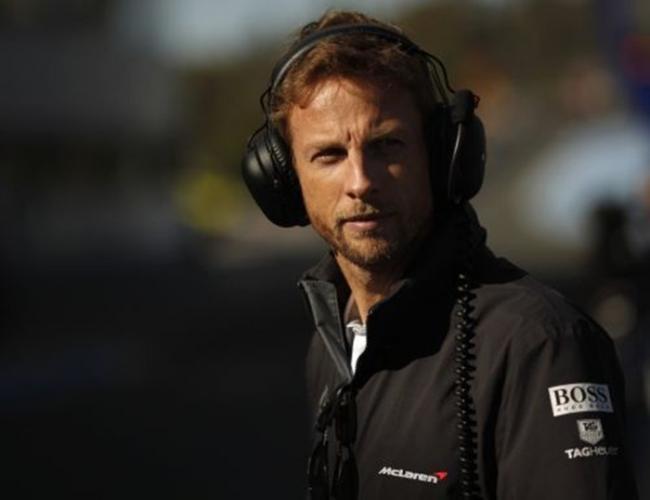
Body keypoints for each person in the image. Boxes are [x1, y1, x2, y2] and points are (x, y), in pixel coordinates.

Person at [241, 10, 639, 500]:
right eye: (329, 155)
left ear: (441, 155)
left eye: (387, 145)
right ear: (285, 182)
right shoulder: (331, 346)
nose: (361, 181)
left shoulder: (540, 345)